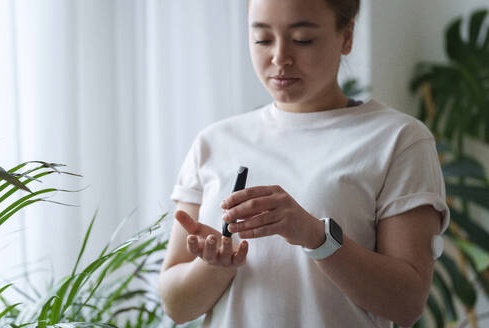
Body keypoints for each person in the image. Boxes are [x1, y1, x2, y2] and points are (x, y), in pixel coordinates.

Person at [158, 0, 450, 327]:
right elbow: (176, 307)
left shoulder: (398, 139)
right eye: (263, 39)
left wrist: (315, 235)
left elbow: (406, 303)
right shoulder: (214, 142)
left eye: (302, 40)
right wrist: (216, 265)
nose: (280, 58)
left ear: (347, 36)